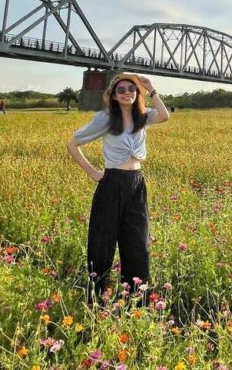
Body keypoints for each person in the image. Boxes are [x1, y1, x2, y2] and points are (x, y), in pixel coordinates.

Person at [66, 73, 170, 303]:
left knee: (138, 242)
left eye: (131, 89)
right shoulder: (105, 118)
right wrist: (92, 172)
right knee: (102, 242)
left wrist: (151, 89)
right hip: (111, 183)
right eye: (121, 90)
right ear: (113, 95)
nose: (127, 93)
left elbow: (164, 115)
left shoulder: (141, 117)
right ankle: (97, 297)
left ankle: (136, 298)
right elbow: (72, 144)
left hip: (136, 183)